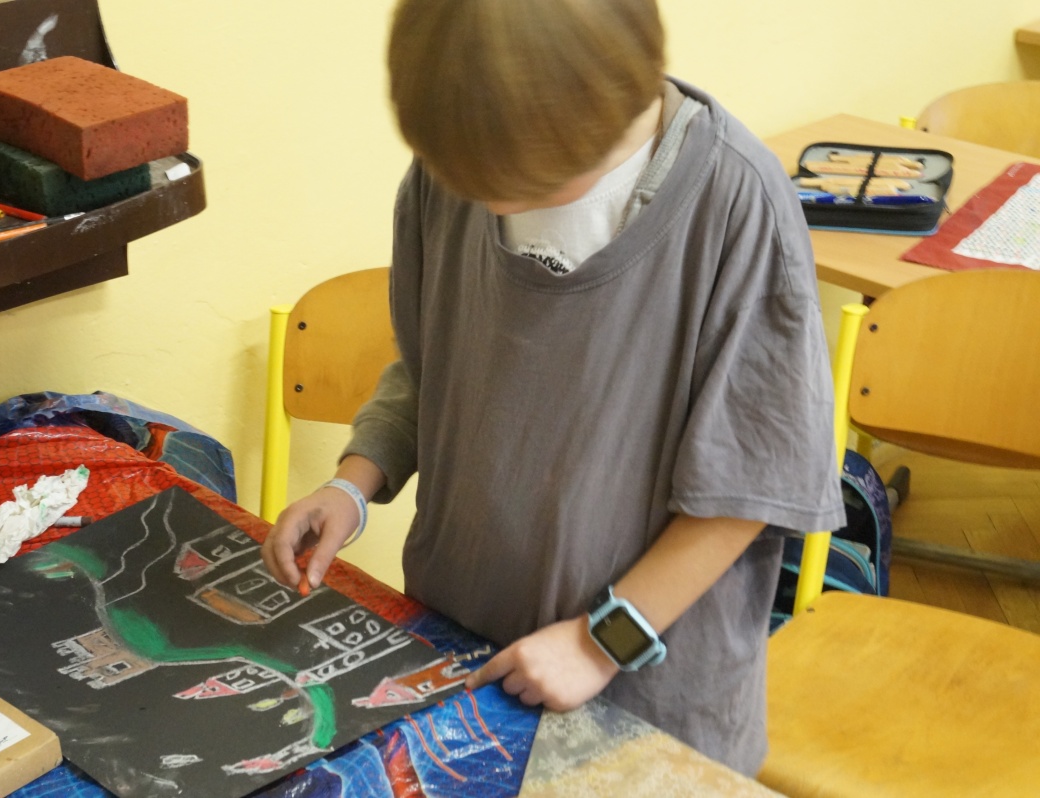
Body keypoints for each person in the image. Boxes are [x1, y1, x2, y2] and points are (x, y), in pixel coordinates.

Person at [261, 0, 845, 776]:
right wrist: (353, 485)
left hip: (646, 697)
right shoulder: (459, 167)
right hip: (462, 651)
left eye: (520, 184)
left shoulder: (736, 205)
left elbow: (751, 489)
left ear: (606, 103)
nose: (495, 206)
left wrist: (601, 642)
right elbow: (434, 359)